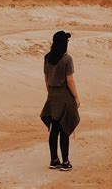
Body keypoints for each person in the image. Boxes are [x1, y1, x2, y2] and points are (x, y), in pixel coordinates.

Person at [40, 30, 80, 171]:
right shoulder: (67, 59)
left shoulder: (47, 58)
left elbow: (46, 78)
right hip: (64, 96)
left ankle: (54, 160)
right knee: (64, 129)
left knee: (54, 129)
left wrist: (51, 93)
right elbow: (70, 81)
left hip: (52, 95)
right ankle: (65, 162)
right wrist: (76, 97)